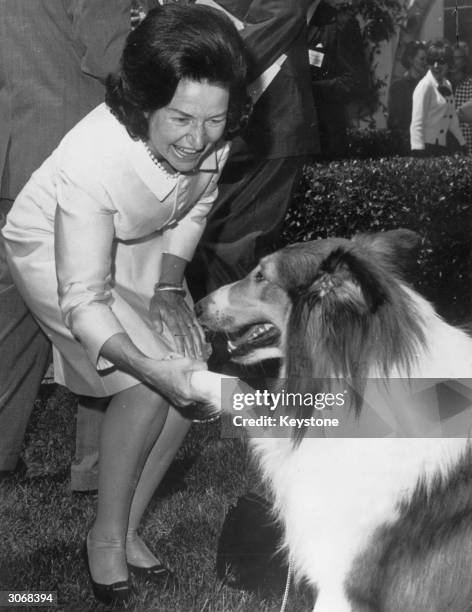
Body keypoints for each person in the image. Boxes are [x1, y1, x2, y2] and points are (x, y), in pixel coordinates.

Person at [2, 4, 248, 604]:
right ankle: (104, 541)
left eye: (213, 121)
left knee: (185, 379)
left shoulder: (213, 123)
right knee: (144, 385)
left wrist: (168, 288)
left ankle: (125, 526)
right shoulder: (94, 158)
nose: (198, 138)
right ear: (144, 104)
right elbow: (84, 297)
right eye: (182, 118)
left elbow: (194, 203)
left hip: (140, 238)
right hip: (55, 244)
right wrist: (146, 365)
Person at [0, 0, 137, 482]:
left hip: (10, 151)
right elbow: (112, 57)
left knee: (9, 319)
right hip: (65, 159)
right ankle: (98, 466)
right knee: (100, 302)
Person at [186, 0, 319, 301]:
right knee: (212, 243)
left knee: (234, 250)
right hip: (240, 132)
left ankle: (236, 340)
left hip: (270, 128)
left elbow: (284, 13)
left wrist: (198, 67)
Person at [306, 0, 368, 159]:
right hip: (286, 143)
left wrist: (308, 89)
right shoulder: (282, 21)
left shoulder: (340, 24)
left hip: (324, 140)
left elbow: (354, 81)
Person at [410, 38, 466, 156]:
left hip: (442, 147)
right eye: (431, 61)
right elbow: (417, 124)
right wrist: (419, 154)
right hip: (426, 148)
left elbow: (452, 120)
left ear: (449, 63)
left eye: (441, 62)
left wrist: (462, 143)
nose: (436, 66)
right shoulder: (425, 86)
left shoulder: (447, 84)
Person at [388, 40, 427, 135]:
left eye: (426, 59)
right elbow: (395, 122)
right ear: (410, 59)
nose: (425, 62)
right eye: (422, 59)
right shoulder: (399, 86)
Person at [451, 41, 472, 155]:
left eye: (458, 58)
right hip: (446, 152)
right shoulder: (442, 85)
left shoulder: (470, 85)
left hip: (468, 151)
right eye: (452, 58)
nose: (454, 62)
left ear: (464, 61)